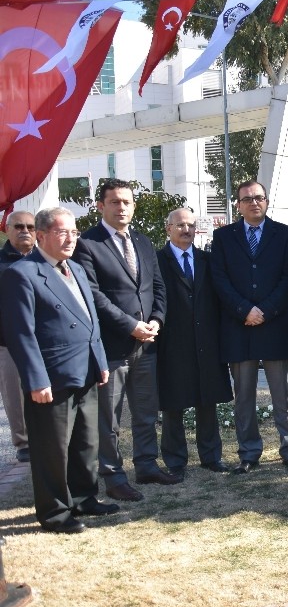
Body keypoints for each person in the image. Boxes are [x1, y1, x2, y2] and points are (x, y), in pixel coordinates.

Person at [1, 208, 116, 533]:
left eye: (75, 232)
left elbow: (90, 318)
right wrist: (36, 380)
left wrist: (100, 361)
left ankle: (84, 498)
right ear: (41, 236)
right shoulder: (22, 274)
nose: (71, 239)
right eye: (62, 232)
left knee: (86, 442)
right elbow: (20, 333)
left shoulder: (76, 268)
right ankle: (55, 513)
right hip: (50, 378)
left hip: (85, 371)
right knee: (52, 449)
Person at [74, 180, 174, 502]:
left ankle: (146, 465)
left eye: (127, 202)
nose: (121, 208)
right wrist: (131, 325)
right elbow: (94, 296)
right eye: (114, 202)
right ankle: (113, 475)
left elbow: (158, 288)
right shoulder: (88, 244)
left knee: (146, 413)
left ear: (134, 206)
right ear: (101, 206)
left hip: (147, 346)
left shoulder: (144, 242)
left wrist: (156, 321)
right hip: (112, 347)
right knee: (110, 419)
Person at [211, 180, 288, 474]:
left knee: (283, 396)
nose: (254, 203)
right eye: (247, 199)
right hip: (239, 327)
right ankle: (248, 453)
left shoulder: (285, 235)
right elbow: (220, 280)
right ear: (238, 204)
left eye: (259, 198)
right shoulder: (223, 237)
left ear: (266, 201)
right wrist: (244, 310)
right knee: (244, 397)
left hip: (273, 324)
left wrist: (265, 310)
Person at [155, 208, 233, 477]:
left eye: (190, 225)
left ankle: (211, 456)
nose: (186, 230)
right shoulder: (157, 261)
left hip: (206, 342)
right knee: (173, 405)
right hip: (172, 344)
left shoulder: (207, 260)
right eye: (180, 226)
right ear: (168, 228)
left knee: (207, 401)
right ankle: (176, 461)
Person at [0, 211, 36, 463]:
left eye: (31, 227)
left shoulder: (46, 260)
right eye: (19, 226)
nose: (25, 231)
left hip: (45, 339)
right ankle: (23, 442)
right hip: (9, 341)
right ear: (7, 230)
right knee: (14, 392)